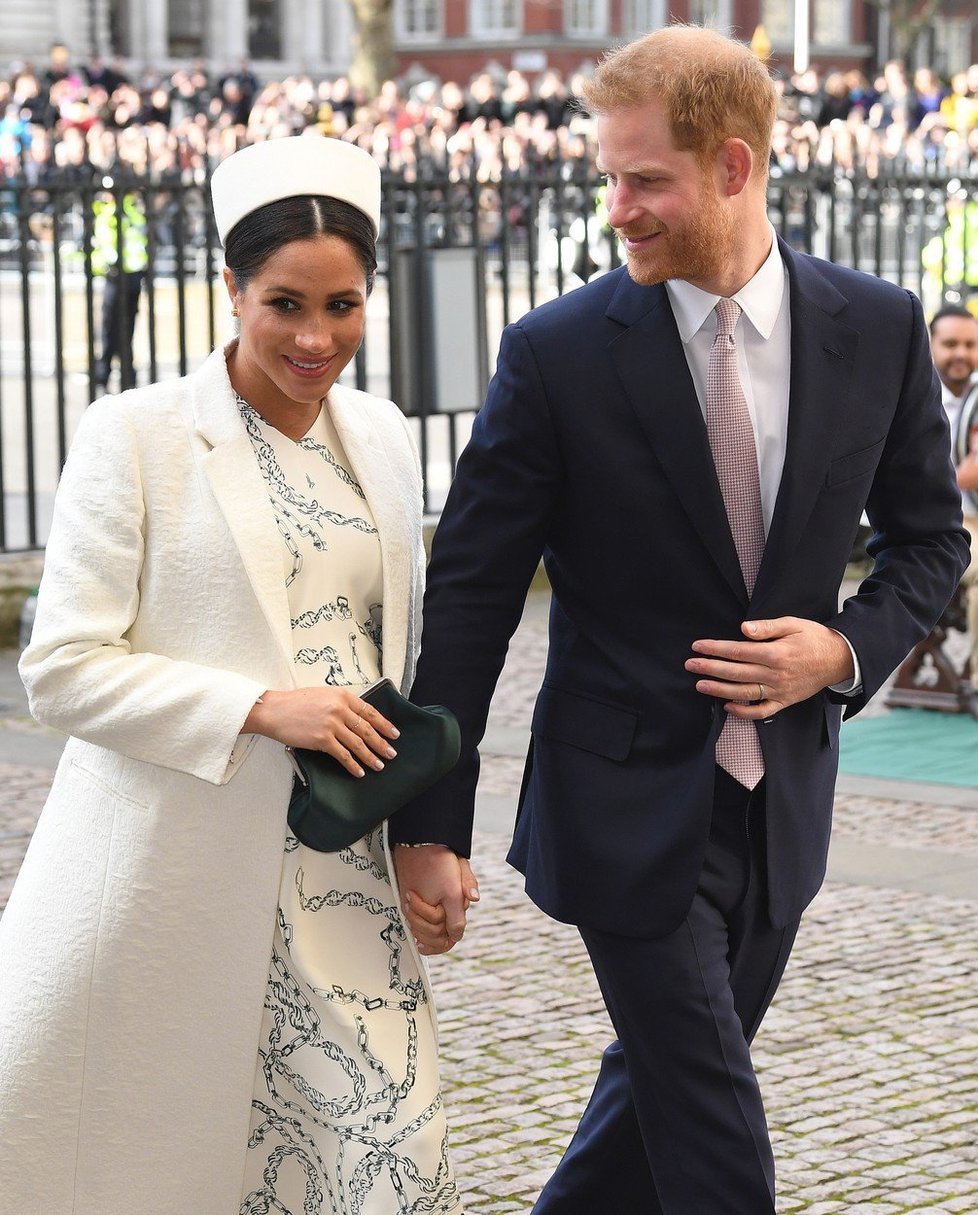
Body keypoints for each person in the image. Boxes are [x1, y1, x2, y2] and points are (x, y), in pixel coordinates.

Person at [389, 26, 969, 1214]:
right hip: (618, 804)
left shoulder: (877, 325)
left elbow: (929, 545)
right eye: (611, 177)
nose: (619, 208)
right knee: (712, 1129)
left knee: (649, 1107)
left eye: (644, 179)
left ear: (735, 167)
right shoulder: (554, 354)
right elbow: (474, 593)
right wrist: (427, 821)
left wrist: (843, 652)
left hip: (781, 808)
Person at [0, 134, 470, 1215]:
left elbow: (396, 658)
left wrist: (424, 841)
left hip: (342, 865)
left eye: (344, 305)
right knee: (172, 1168)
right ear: (229, 288)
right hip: (178, 872)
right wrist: (259, 708)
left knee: (386, 1161)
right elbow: (61, 669)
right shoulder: (135, 436)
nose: (317, 337)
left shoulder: (388, 440)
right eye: (285, 303)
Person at [930, 304, 978, 714]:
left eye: (970, 344)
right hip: (934, 525)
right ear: (930, 345)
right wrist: (963, 474)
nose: (960, 353)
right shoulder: (912, 397)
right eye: (950, 344)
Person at [91, 183, 148, 390]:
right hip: (133, 276)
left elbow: (104, 245)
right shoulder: (133, 212)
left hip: (117, 276)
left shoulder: (108, 214)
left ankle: (105, 372)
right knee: (126, 328)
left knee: (110, 326)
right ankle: (126, 375)